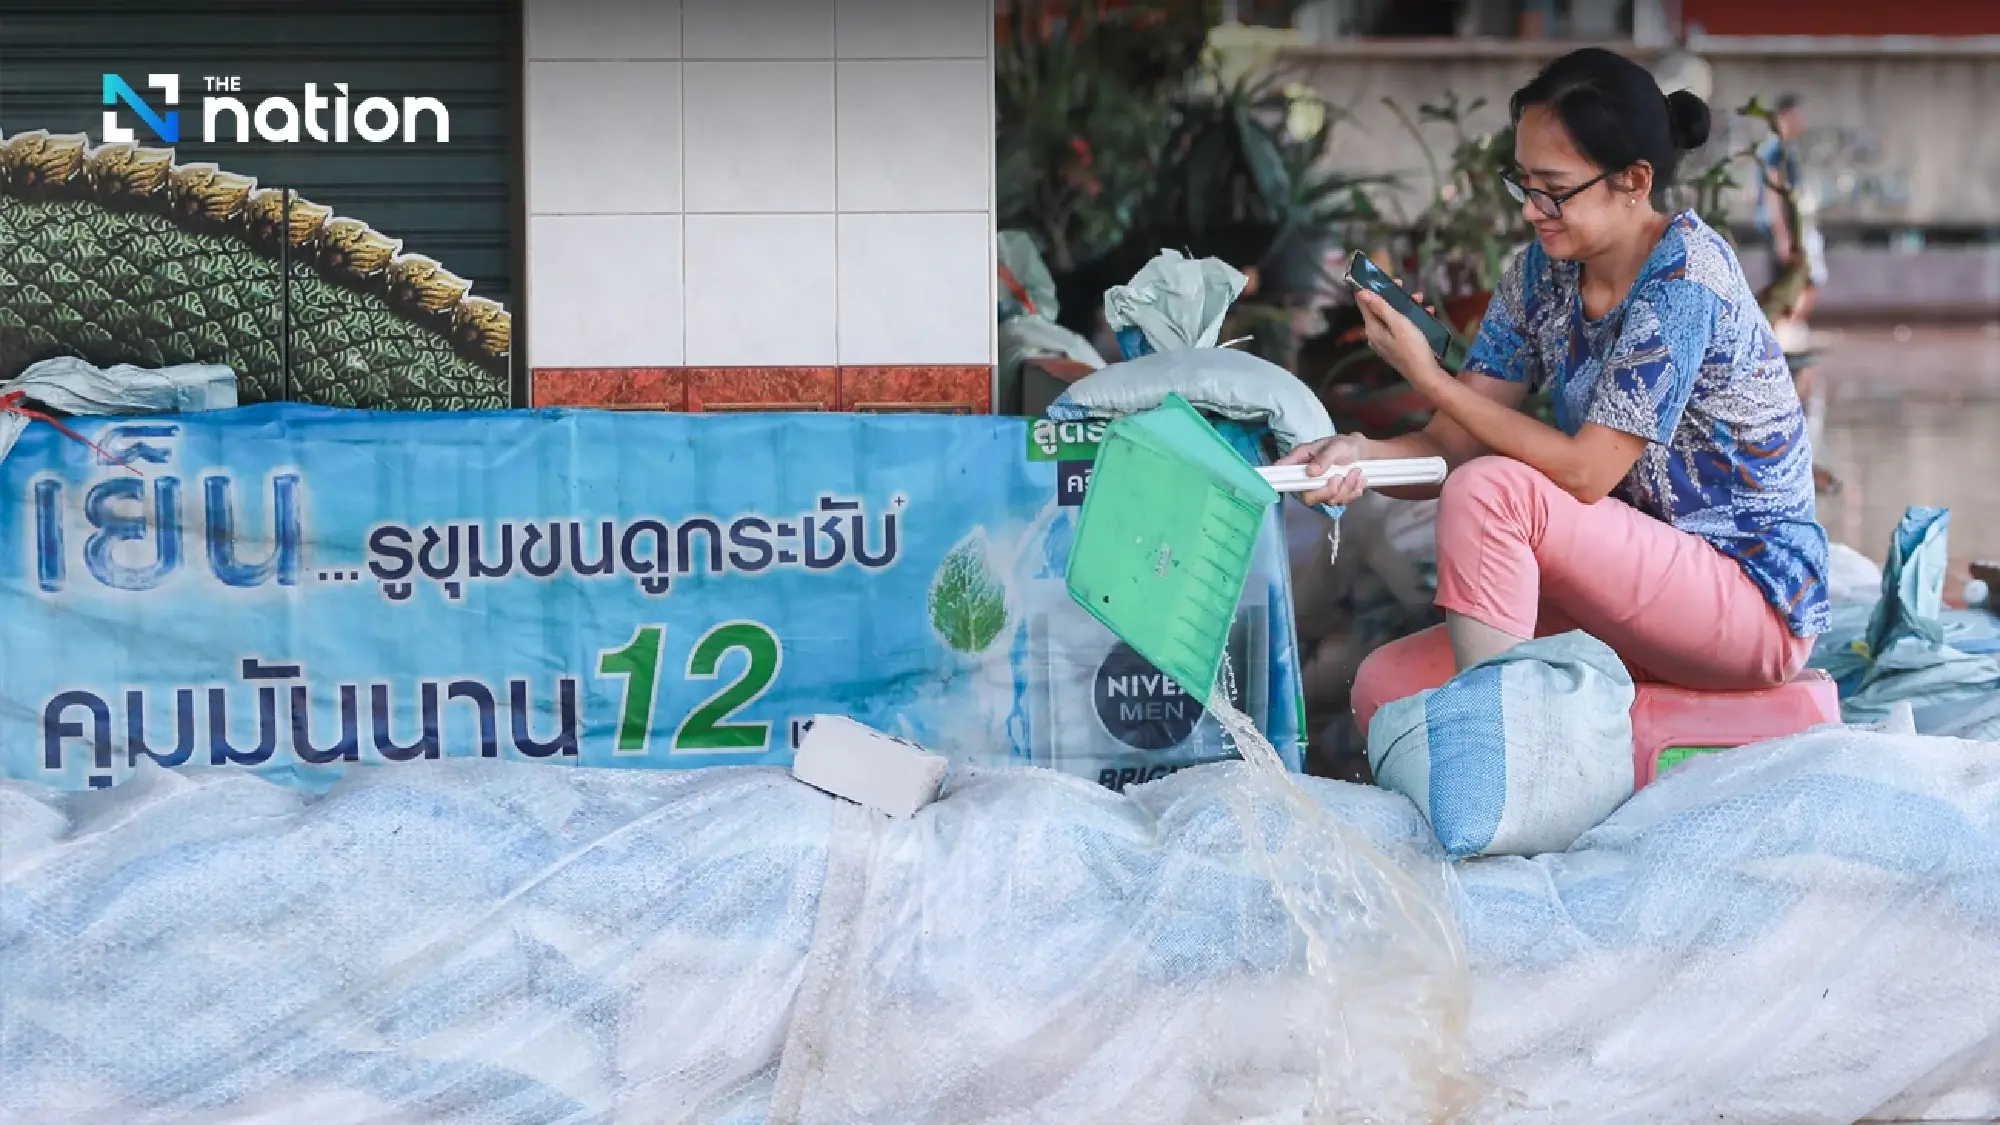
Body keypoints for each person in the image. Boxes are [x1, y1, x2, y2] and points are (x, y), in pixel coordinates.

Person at [1281, 47, 1829, 710]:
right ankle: (1504, 743)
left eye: (1553, 189)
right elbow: (1453, 443)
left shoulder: (1684, 280)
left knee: (1494, 492)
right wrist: (1361, 458)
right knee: (1386, 687)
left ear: (1633, 180)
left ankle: (1511, 764)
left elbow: (1585, 473)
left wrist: (1427, 376)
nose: (1530, 211)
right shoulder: (1541, 276)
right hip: (1638, 580)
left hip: (1749, 600)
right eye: (1523, 185)